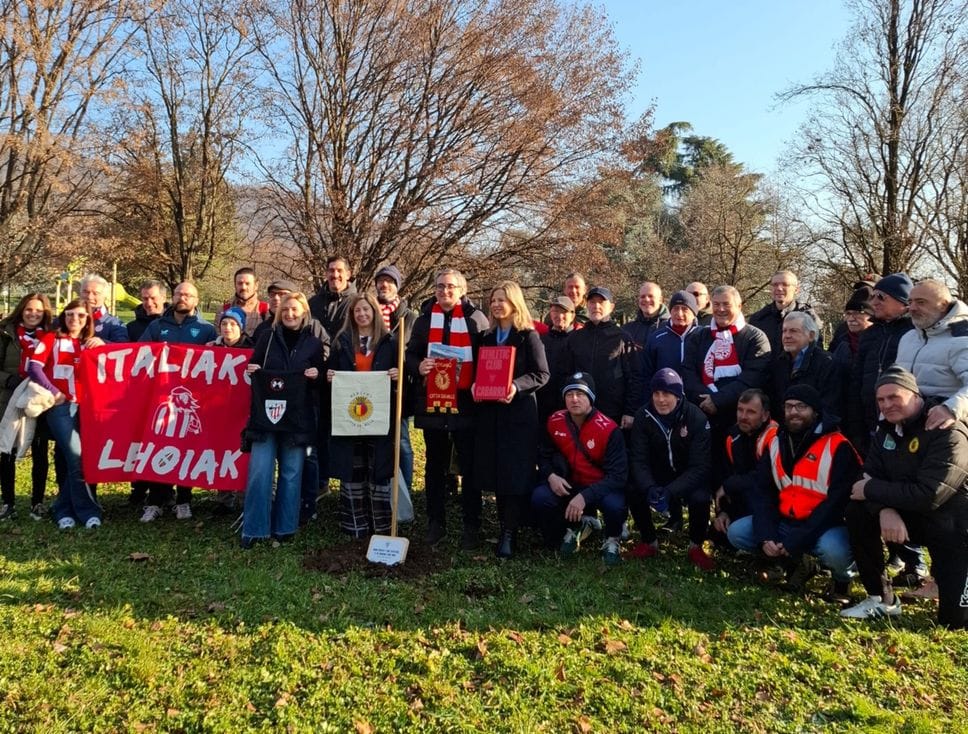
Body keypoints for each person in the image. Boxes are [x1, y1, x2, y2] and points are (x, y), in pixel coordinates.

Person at [842, 366, 968, 628]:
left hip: (954, 528)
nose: (886, 405)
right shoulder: (885, 430)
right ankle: (881, 598)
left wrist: (873, 491)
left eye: (894, 397)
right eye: (880, 400)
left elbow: (929, 494)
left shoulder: (948, 430)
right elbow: (866, 478)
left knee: (954, 622)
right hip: (912, 515)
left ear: (915, 395)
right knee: (858, 512)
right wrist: (884, 510)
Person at [727, 385, 860, 599]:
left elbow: (835, 503)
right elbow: (763, 494)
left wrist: (799, 538)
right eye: (789, 406)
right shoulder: (777, 443)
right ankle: (793, 563)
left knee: (836, 551)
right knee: (737, 532)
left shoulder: (838, 446)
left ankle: (841, 583)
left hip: (826, 526)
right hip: (786, 521)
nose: (794, 412)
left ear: (815, 411)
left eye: (801, 406)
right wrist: (766, 535)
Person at [845, 272, 925, 583]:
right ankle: (887, 554)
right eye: (873, 296)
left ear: (903, 303)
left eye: (882, 297)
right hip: (868, 424)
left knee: (901, 487)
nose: (873, 302)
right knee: (872, 486)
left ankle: (913, 559)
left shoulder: (913, 333)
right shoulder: (871, 334)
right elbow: (857, 379)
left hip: (902, 425)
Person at [406, 268, 489, 549]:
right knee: (435, 465)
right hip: (433, 404)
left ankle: (471, 526)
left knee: (469, 465)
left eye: (451, 287)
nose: (445, 291)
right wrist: (418, 365)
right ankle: (435, 522)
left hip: (466, 405)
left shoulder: (476, 319)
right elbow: (409, 353)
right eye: (440, 286)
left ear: (462, 289)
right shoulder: (424, 319)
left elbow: (487, 358)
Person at [241, 292, 325, 548]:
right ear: (280, 312)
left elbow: (321, 377)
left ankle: (286, 526)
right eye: (286, 310)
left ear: (304, 313)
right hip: (266, 418)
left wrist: (316, 374)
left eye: (295, 310)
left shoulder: (313, 343)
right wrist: (252, 370)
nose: (290, 314)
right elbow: (253, 367)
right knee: (260, 471)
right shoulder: (266, 338)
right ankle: (255, 528)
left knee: (291, 473)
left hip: (298, 419)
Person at [472, 281, 549, 558]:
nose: (496, 305)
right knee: (497, 471)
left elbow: (541, 374)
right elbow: (480, 371)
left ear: (514, 303)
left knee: (515, 473)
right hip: (491, 416)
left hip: (518, 415)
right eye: (493, 300)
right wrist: (475, 385)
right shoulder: (486, 337)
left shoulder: (528, 336)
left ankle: (509, 532)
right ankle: (503, 523)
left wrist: (515, 386)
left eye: (502, 300)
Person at [138, 282, 217, 523]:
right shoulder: (157, 325)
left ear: (196, 299)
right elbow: (139, 354)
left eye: (188, 295)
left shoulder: (206, 330)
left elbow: (218, 361)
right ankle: (155, 501)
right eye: (179, 294)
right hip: (160, 398)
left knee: (187, 447)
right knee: (159, 443)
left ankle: (184, 500)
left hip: (191, 401)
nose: (183, 298)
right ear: (172, 297)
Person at [682, 285, 771, 493]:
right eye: (716, 304)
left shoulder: (755, 338)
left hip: (739, 420)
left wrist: (718, 400)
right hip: (704, 416)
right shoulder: (699, 336)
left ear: (739, 306)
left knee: (734, 476)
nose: (721, 309)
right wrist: (706, 400)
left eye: (726, 305)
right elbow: (688, 372)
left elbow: (752, 378)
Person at [531, 372, 627, 565]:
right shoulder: (555, 420)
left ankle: (613, 538)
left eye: (580, 394)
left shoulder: (608, 429)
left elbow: (618, 476)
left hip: (599, 487)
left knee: (615, 506)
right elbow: (544, 455)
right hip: (570, 484)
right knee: (540, 497)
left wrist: (585, 497)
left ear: (591, 398)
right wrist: (550, 476)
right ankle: (568, 529)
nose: (574, 399)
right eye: (569, 394)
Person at [327, 293, 400, 539]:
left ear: (375, 313)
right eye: (357, 311)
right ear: (352, 315)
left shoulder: (390, 342)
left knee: (378, 468)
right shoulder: (342, 341)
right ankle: (355, 525)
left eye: (366, 310)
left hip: (379, 415)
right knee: (354, 467)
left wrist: (396, 375)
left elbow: (404, 377)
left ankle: (381, 525)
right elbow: (332, 369)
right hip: (350, 416)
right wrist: (330, 376)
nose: (362, 314)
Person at [627, 368, 714, 570]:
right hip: (657, 475)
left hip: (687, 475)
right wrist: (649, 486)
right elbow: (638, 459)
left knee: (700, 497)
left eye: (667, 394)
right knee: (632, 488)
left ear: (678, 395)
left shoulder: (696, 418)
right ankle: (648, 541)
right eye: (656, 393)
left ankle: (696, 546)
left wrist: (671, 491)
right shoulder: (643, 415)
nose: (661, 400)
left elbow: (700, 466)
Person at [26, 299, 102, 530]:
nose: (74, 320)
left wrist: (102, 343)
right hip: (59, 407)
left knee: (76, 459)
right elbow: (34, 366)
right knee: (77, 456)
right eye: (70, 314)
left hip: (86, 408)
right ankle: (87, 510)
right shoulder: (52, 338)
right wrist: (55, 392)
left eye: (80, 315)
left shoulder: (90, 343)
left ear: (88, 318)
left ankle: (63, 508)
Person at [0, 294, 53, 520]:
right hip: (9, 397)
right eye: (29, 309)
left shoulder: (51, 336)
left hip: (39, 400)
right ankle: (8, 502)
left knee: (40, 450)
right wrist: (8, 380)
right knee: (6, 450)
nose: (33, 314)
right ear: (21, 310)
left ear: (45, 313)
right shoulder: (5, 334)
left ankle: (37, 502)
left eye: (38, 311)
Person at [895, 279, 968, 429]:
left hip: (944, 430)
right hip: (905, 430)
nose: (912, 308)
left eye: (921, 302)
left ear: (943, 305)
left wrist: (950, 409)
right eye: (910, 302)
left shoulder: (962, 338)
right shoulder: (908, 338)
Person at [711, 389, 777, 541]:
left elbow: (763, 479)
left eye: (751, 412)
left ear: (765, 415)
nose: (743, 417)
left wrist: (729, 485)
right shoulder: (732, 436)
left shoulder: (775, 437)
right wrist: (723, 512)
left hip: (770, 504)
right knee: (718, 534)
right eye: (740, 410)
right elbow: (725, 475)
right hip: (743, 500)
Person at [565, 286, 635, 427]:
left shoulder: (622, 338)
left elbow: (633, 377)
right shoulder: (575, 338)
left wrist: (630, 411)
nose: (596, 306)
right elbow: (566, 373)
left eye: (601, 302)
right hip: (581, 411)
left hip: (613, 412)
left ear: (611, 307)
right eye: (592, 302)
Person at [374, 264, 417, 492]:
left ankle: (405, 489)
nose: (384, 285)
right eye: (380, 281)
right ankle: (380, 486)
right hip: (373, 386)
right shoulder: (369, 313)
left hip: (400, 388)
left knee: (401, 441)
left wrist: (404, 370)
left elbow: (414, 350)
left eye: (389, 281)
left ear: (397, 286)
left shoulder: (409, 317)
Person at [770, 312, 840, 417]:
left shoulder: (827, 363)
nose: (787, 336)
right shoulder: (778, 363)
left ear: (811, 336)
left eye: (793, 331)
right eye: (784, 331)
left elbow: (830, 405)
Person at [749, 270, 822, 353]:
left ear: (796, 290)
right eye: (775, 285)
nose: (779, 288)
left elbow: (816, 351)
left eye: (785, 284)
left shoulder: (808, 317)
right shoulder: (758, 319)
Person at [537, 295, 577, 425]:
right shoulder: (540, 340)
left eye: (564, 312)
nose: (559, 316)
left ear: (572, 314)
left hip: (569, 405)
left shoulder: (579, 340)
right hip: (542, 405)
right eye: (555, 311)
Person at [309, 256, 357, 338]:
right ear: (326, 274)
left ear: (348, 275)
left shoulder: (357, 303)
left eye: (339, 271)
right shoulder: (312, 304)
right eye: (331, 271)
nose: (335, 275)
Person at [218, 267, 270, 337]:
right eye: (240, 283)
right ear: (235, 285)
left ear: (256, 285)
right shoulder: (224, 310)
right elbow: (218, 338)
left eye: (247, 283)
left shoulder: (266, 310)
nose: (243, 287)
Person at [79, 274, 128, 343]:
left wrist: (104, 344)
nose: (89, 297)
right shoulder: (68, 319)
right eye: (85, 292)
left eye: (95, 293)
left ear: (105, 296)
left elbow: (123, 349)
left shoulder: (115, 324)